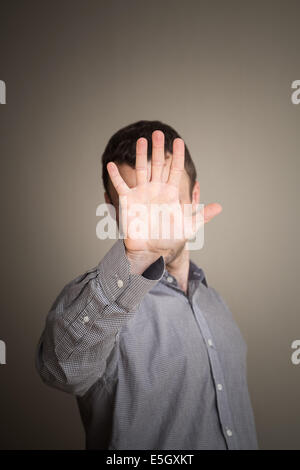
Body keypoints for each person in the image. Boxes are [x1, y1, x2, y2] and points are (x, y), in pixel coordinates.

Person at [35, 120, 258, 450]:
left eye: (168, 202)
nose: (157, 219)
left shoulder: (216, 303)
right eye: (140, 206)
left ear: (195, 196)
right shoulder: (102, 309)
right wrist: (136, 258)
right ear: (113, 207)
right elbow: (61, 370)